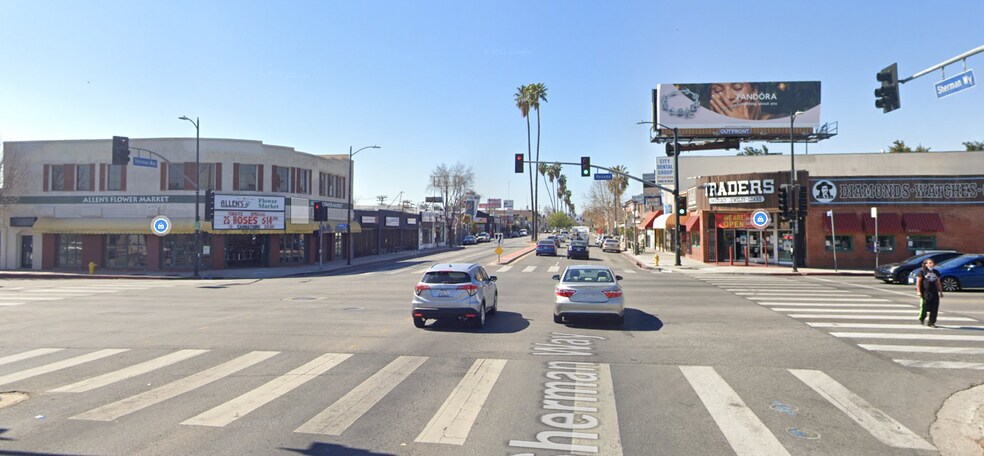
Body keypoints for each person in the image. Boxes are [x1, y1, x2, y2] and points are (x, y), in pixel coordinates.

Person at [916, 258, 944, 327]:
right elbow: (918, 282)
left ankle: (931, 322)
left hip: (934, 292)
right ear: (926, 264)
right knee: (924, 307)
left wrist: (940, 292)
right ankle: (922, 318)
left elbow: (938, 282)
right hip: (925, 292)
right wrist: (919, 291)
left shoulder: (936, 272)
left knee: (934, 308)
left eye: (932, 262)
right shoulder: (922, 271)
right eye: (930, 263)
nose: (932, 264)